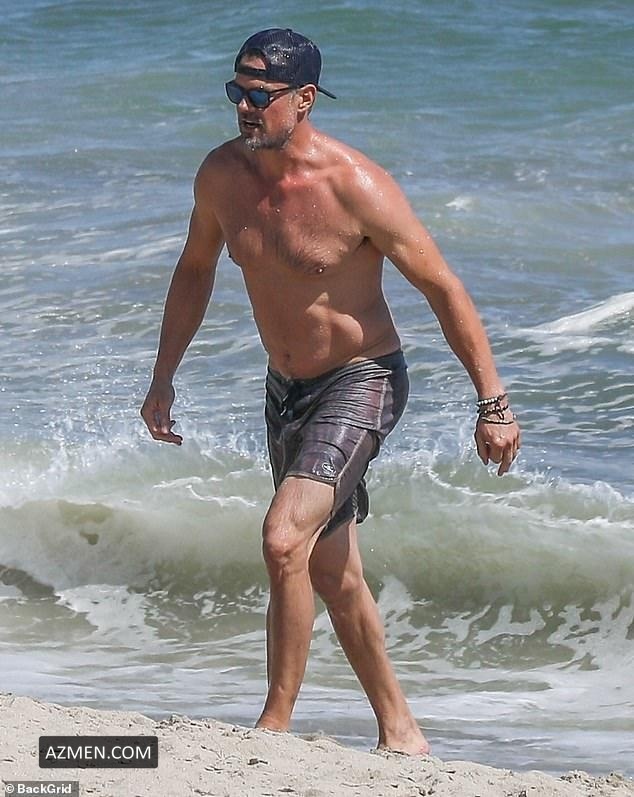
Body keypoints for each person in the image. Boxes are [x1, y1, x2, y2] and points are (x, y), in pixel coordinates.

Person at [140, 28, 521, 756]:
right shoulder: (221, 175)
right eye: (236, 91)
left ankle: (273, 727)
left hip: (362, 379)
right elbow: (194, 270)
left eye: (261, 95)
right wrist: (163, 377)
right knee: (329, 569)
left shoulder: (356, 186)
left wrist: (492, 401)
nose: (244, 107)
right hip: (285, 388)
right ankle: (402, 732)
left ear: (305, 99)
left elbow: (443, 288)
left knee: (283, 537)